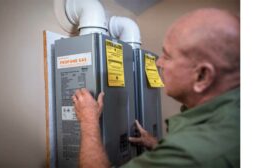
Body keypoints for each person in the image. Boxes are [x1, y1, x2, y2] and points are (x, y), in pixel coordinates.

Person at [72, 8, 240, 168]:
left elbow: (195, 155)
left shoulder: (195, 152)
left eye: (167, 56)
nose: (159, 63)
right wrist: (160, 147)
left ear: (202, 76)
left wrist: (88, 120)